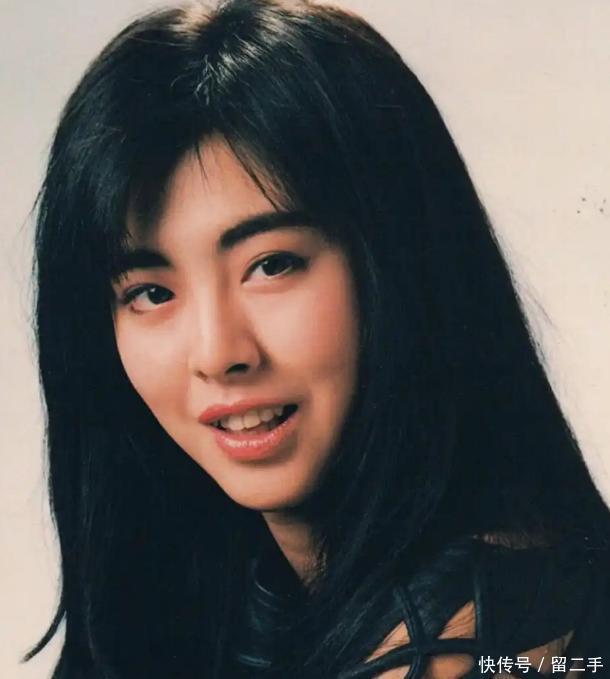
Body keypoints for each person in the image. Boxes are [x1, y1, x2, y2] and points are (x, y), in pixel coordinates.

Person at [28, 0, 610, 677]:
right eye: (151, 293)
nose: (218, 353)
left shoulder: (487, 634)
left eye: (272, 264)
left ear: (397, 262)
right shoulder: (219, 599)